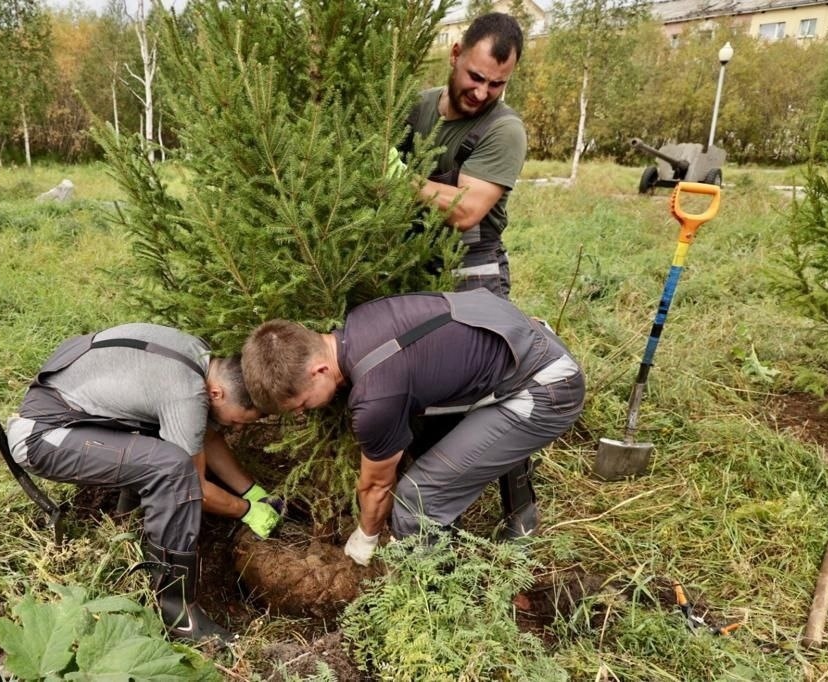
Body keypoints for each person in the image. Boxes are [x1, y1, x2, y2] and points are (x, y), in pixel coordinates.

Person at [240, 289, 584, 566]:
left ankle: (433, 596)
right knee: (432, 454)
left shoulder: (374, 399)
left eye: (301, 404)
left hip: (546, 387)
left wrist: (366, 536)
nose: (303, 413)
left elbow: (376, 485)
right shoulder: (361, 321)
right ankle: (454, 537)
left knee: (418, 497)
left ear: (318, 370)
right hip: (522, 342)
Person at [5, 323, 282, 642]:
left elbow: (203, 435)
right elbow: (196, 487)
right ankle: (176, 610)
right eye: (236, 420)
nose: (233, 428)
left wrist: (254, 492)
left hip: (72, 408)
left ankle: (128, 515)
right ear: (217, 393)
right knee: (173, 470)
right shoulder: (187, 392)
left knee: (171, 447)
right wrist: (246, 510)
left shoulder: (198, 355)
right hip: (44, 436)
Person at [395, 11, 526, 299]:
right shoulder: (415, 106)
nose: (481, 93)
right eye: (476, 77)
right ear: (455, 55)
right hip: (409, 265)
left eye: (496, 84)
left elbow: (465, 210)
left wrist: (399, 179)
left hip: (471, 273)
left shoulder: (504, 130)